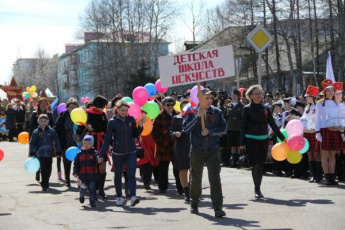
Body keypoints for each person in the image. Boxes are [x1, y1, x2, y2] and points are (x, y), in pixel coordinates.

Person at [183, 88, 227, 218]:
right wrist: (198, 118)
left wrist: (210, 132)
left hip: (213, 149)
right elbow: (186, 130)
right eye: (206, 98)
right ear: (199, 98)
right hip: (197, 150)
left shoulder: (217, 112)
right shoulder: (191, 111)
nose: (209, 100)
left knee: (215, 178)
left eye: (211, 98)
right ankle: (194, 203)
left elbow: (224, 129)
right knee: (196, 178)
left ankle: (218, 208)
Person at [240, 85, 286, 199]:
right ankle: (257, 189)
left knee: (261, 164)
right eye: (256, 93)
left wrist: (283, 138)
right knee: (255, 163)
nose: (259, 95)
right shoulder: (246, 108)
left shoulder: (266, 108)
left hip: (264, 139)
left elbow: (273, 125)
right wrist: (241, 142)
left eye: (260, 93)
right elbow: (243, 126)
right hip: (251, 139)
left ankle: (258, 187)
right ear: (251, 96)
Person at [98, 100, 144, 206]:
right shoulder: (112, 121)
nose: (125, 112)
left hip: (131, 152)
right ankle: (119, 196)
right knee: (118, 175)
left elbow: (135, 135)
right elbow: (107, 139)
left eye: (126, 110)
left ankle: (133, 196)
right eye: (122, 110)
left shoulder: (131, 119)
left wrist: (140, 126)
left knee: (131, 174)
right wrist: (101, 154)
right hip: (118, 153)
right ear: (117, 110)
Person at [151, 96, 183, 194]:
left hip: (176, 146)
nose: (170, 106)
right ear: (163, 106)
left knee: (178, 169)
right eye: (167, 105)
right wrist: (160, 142)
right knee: (163, 169)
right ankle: (162, 187)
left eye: (172, 104)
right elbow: (154, 133)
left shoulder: (179, 115)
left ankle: (181, 188)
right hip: (163, 147)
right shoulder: (159, 116)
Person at [315, 79, 342, 185]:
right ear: (324, 92)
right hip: (324, 130)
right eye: (328, 90)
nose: (330, 93)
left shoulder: (336, 103)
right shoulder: (320, 103)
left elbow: (339, 117)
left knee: (332, 154)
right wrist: (317, 132)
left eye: (332, 90)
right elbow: (317, 118)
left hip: (334, 130)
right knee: (325, 154)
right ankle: (326, 176)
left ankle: (332, 176)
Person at [29, 114, 61, 191]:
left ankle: (46, 181)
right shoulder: (36, 132)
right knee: (43, 168)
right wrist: (31, 152)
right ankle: (44, 184)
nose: (43, 123)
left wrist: (58, 151)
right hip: (40, 153)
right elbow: (32, 142)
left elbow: (57, 141)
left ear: (47, 121)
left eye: (44, 121)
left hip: (49, 153)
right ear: (38, 122)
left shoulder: (51, 131)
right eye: (41, 121)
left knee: (49, 168)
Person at [85, 95, 109, 199]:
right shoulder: (87, 113)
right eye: (103, 105)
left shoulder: (103, 114)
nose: (103, 107)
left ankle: (101, 189)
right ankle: (92, 189)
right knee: (92, 167)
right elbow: (80, 128)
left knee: (102, 167)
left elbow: (107, 129)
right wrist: (86, 127)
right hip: (91, 142)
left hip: (102, 142)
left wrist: (109, 144)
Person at [54, 98, 79, 186]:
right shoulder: (62, 116)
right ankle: (67, 180)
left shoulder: (79, 115)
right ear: (67, 107)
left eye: (74, 107)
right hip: (66, 142)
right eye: (71, 107)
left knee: (79, 162)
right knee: (66, 161)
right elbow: (56, 128)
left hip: (77, 142)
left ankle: (79, 180)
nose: (72, 109)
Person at [170, 99, 191, 202]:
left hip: (193, 145)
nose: (186, 107)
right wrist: (175, 133)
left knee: (194, 170)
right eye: (183, 106)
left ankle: (192, 188)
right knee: (183, 169)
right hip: (180, 146)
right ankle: (186, 192)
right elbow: (171, 131)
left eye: (188, 105)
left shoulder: (195, 117)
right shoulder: (176, 118)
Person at [301, 85, 321, 183]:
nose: (306, 98)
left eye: (308, 96)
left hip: (314, 132)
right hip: (307, 132)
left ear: (313, 96)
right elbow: (303, 119)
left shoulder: (318, 106)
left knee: (317, 154)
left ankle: (318, 176)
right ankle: (313, 176)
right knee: (310, 154)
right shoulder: (307, 107)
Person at [73, 135, 99, 207]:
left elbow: (97, 161)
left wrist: (98, 160)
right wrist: (75, 172)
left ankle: (92, 201)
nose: (86, 145)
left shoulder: (94, 153)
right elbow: (76, 164)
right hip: (82, 175)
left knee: (92, 189)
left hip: (92, 175)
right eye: (85, 143)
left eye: (88, 143)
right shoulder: (79, 154)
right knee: (83, 188)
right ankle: (81, 196)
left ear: (92, 144)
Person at [224, 89, 244, 168]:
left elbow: (243, 118)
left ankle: (238, 160)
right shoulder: (228, 106)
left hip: (238, 128)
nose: (233, 97)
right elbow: (225, 116)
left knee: (238, 144)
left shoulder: (241, 106)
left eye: (235, 96)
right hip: (230, 127)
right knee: (232, 145)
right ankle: (234, 160)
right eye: (232, 96)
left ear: (238, 97)